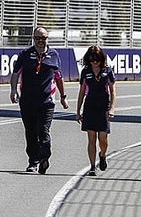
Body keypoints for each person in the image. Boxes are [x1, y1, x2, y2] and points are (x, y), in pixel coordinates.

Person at [10, 26, 69, 174]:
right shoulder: (25, 54)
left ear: (47, 39)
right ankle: (33, 162)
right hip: (28, 100)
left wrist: (63, 97)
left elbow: (59, 77)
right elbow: (16, 74)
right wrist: (13, 90)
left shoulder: (54, 55)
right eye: (37, 38)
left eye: (43, 38)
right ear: (33, 39)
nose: (40, 41)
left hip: (46, 101)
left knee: (43, 131)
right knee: (30, 132)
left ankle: (44, 158)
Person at [75, 45, 115, 176]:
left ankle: (102, 155)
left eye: (97, 58)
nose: (95, 61)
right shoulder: (85, 72)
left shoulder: (107, 71)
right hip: (90, 106)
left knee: (103, 138)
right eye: (92, 59)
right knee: (91, 137)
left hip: (103, 106)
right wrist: (78, 111)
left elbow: (113, 91)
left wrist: (112, 108)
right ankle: (92, 166)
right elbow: (81, 92)